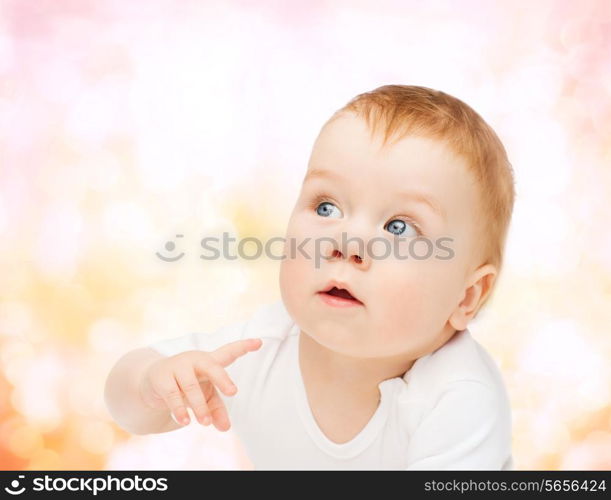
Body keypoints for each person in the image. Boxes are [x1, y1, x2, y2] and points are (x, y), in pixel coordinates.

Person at [104, 84, 516, 470]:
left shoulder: (459, 398)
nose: (346, 243)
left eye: (398, 228)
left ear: (467, 297)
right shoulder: (260, 349)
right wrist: (150, 385)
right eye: (325, 207)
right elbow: (128, 407)